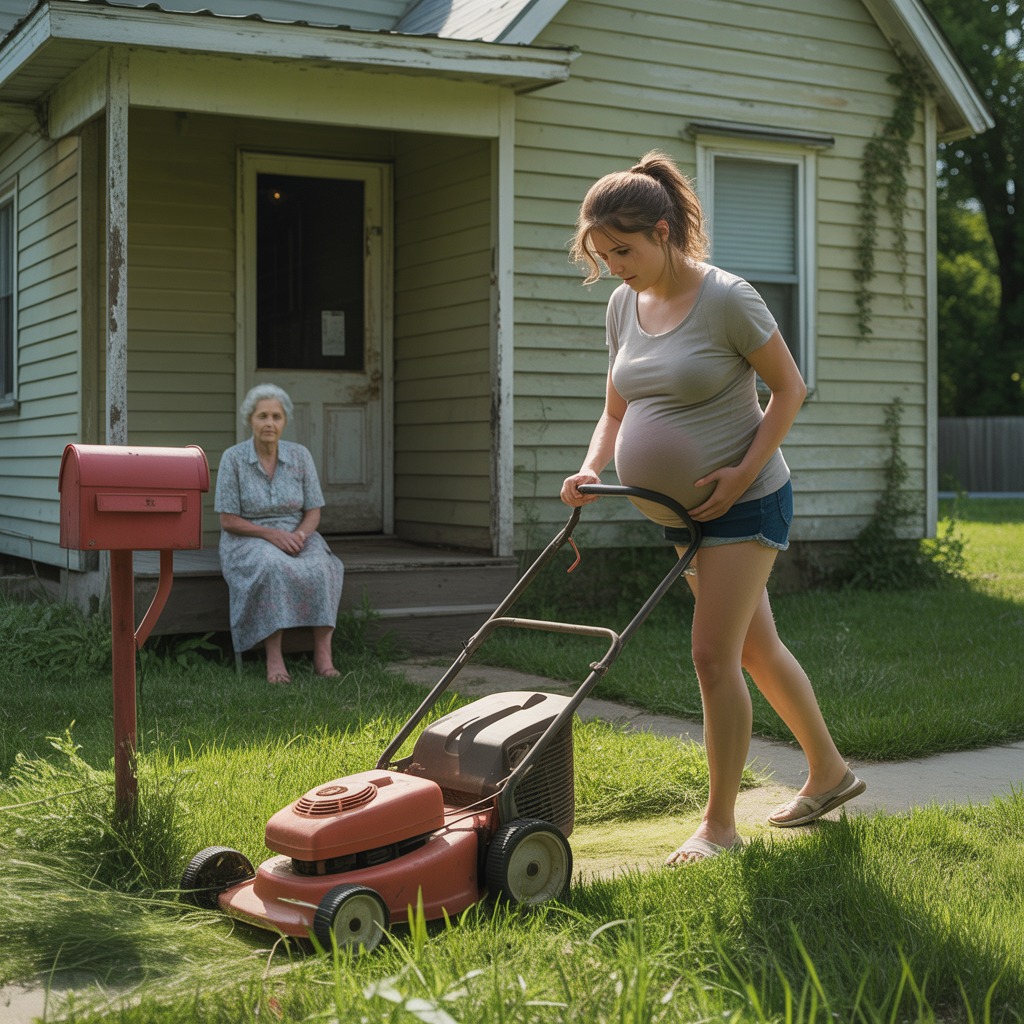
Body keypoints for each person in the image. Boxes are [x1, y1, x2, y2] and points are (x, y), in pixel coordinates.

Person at [560, 151, 865, 865]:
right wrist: (590, 466)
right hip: (682, 515)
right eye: (603, 255)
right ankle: (830, 774)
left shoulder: (729, 298)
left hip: (745, 502)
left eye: (624, 250)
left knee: (711, 656)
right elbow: (615, 408)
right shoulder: (621, 304)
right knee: (755, 649)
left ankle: (720, 827)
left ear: (663, 231)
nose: (614, 266)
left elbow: (789, 390)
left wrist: (738, 475)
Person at [215, 384, 345, 684]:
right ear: (251, 420)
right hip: (248, 538)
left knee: (325, 566)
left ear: (285, 421)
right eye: (262, 416)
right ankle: (274, 658)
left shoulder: (300, 456)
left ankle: (323, 655)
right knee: (273, 567)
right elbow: (228, 519)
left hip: (298, 534)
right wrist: (271, 535)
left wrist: (299, 536)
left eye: (276, 416)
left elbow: (313, 511)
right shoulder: (233, 459)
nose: (269, 423)